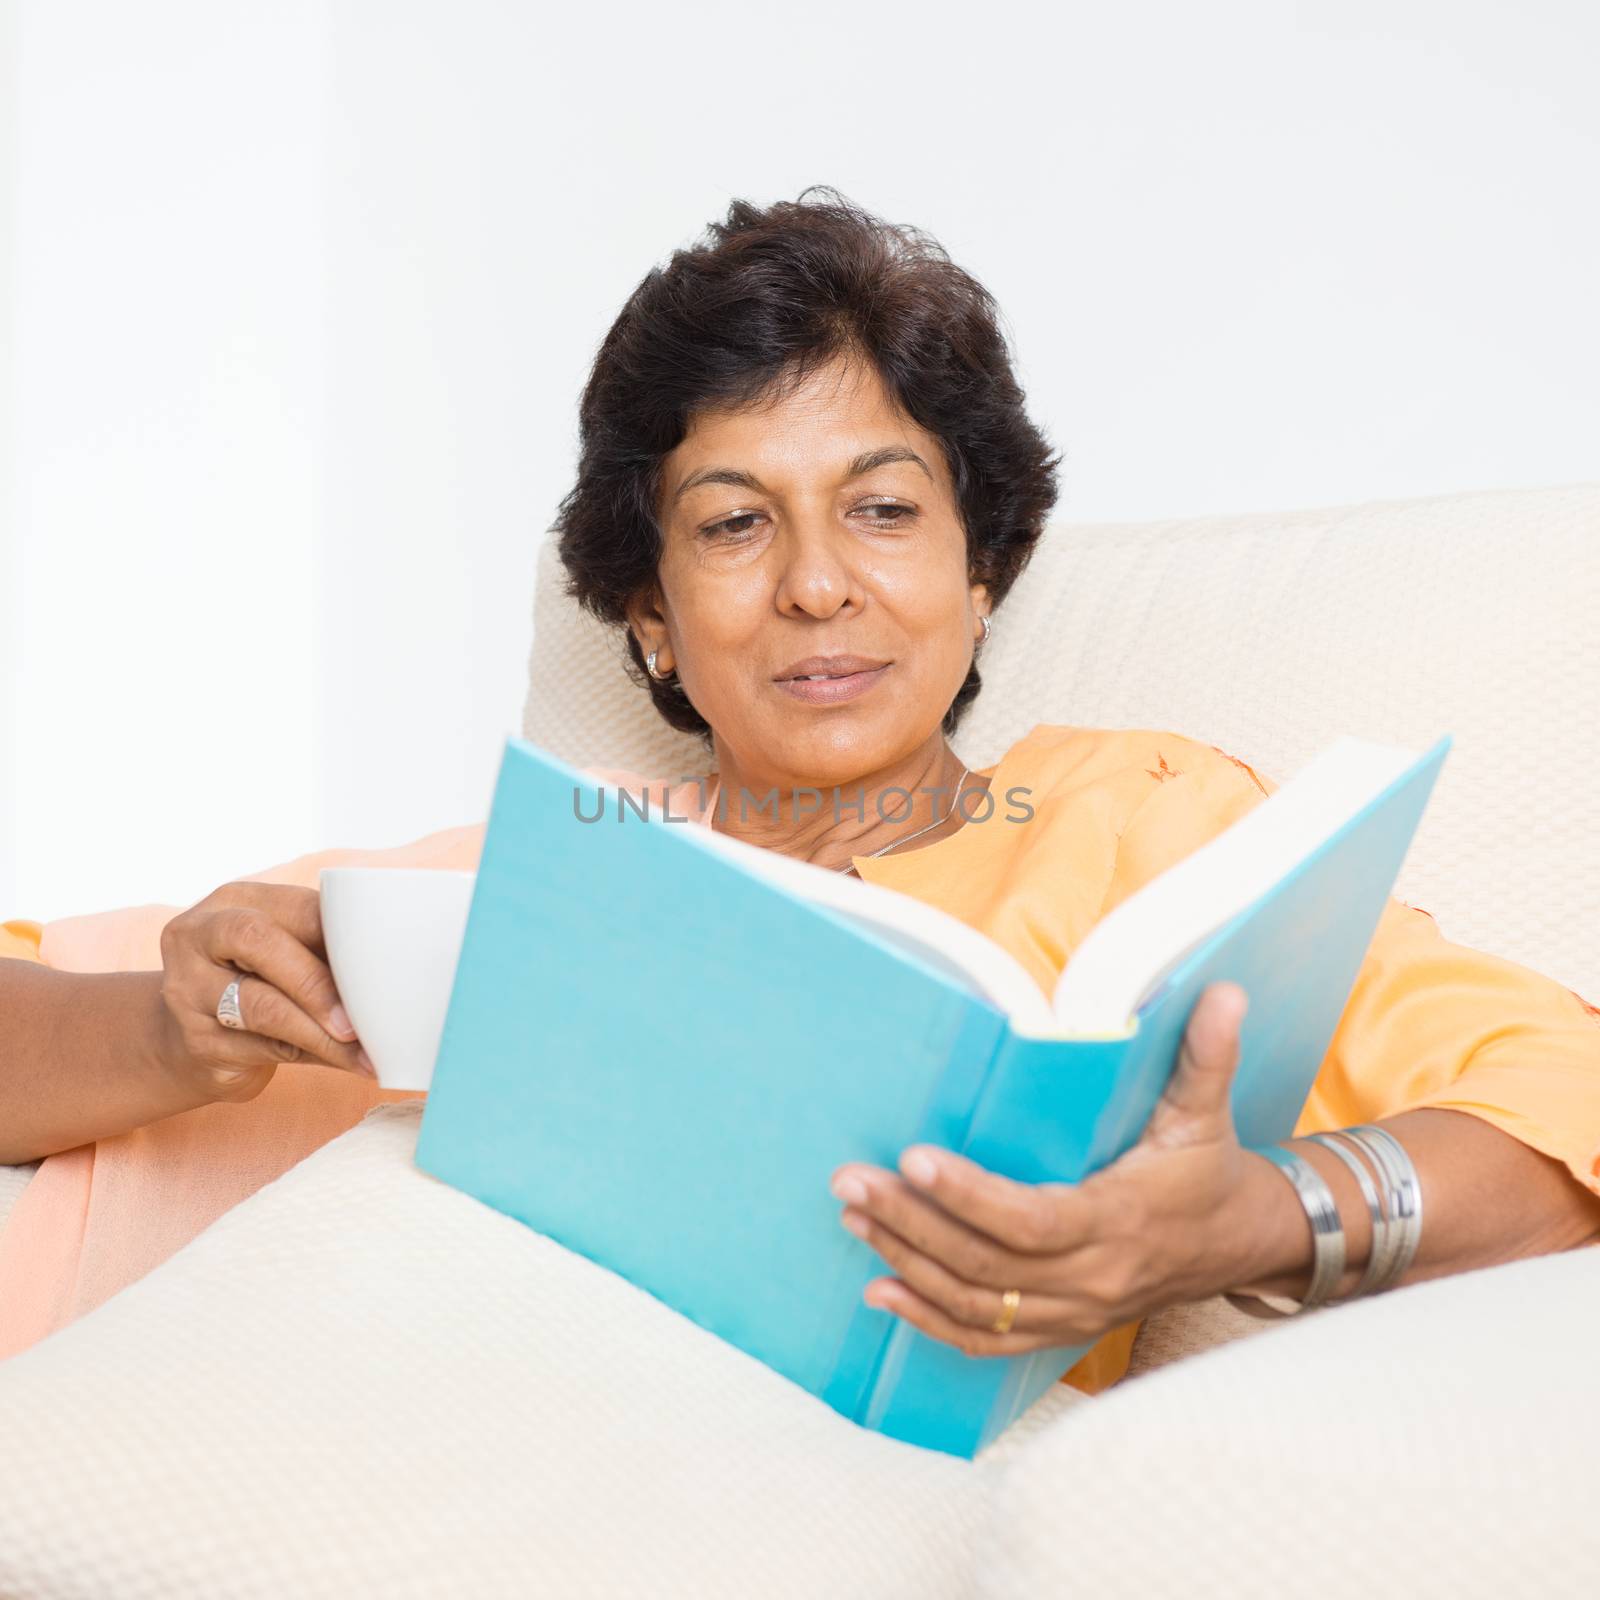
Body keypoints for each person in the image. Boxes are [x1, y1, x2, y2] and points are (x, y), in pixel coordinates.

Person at [4, 188, 1599, 1388]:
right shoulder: (513, 867)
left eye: (884, 508)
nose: (819, 587)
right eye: (733, 525)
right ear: (654, 620)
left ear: (984, 573)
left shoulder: (1141, 823)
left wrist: (1260, 1219)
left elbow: (1560, 1096)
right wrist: (165, 1024)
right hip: (158, 1371)